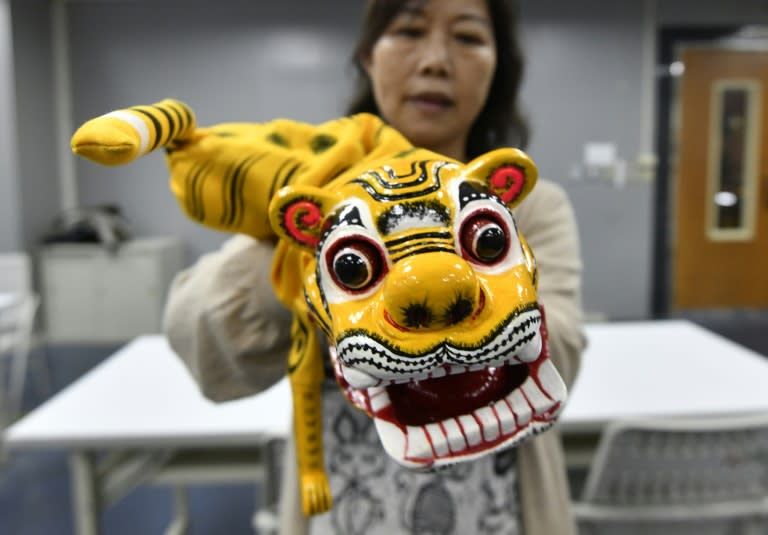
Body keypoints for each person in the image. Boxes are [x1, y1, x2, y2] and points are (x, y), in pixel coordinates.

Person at [162, 0, 586, 534]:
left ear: (498, 64)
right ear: (368, 56)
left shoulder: (531, 207)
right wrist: (320, 257)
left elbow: (562, 357)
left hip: (498, 512)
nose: (435, 60)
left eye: (469, 38)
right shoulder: (314, 208)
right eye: (409, 30)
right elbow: (200, 339)